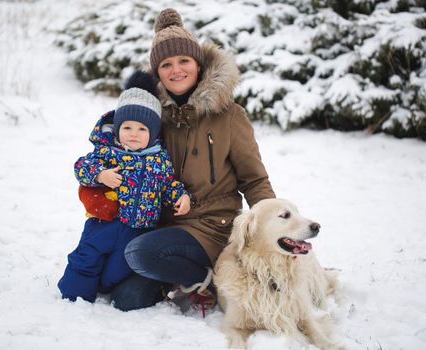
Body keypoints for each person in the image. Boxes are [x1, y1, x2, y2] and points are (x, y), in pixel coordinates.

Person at [108, 8, 276, 312]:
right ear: (156, 72)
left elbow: (255, 179)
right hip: (162, 225)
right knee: (126, 298)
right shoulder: (151, 115)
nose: (176, 70)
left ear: (198, 64)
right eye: (166, 64)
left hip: (212, 226)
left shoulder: (228, 115)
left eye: (184, 61)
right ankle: (177, 278)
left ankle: (207, 278)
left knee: (139, 254)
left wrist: (272, 231)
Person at [57, 70, 191, 303]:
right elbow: (81, 166)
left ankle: (103, 285)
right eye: (127, 127)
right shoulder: (107, 152)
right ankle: (74, 295)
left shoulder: (159, 160)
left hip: (138, 229)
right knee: (88, 256)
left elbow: (170, 184)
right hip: (105, 222)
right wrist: (100, 174)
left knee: (117, 269)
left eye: (142, 129)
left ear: (153, 133)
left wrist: (182, 197)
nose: (133, 135)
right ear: (118, 128)